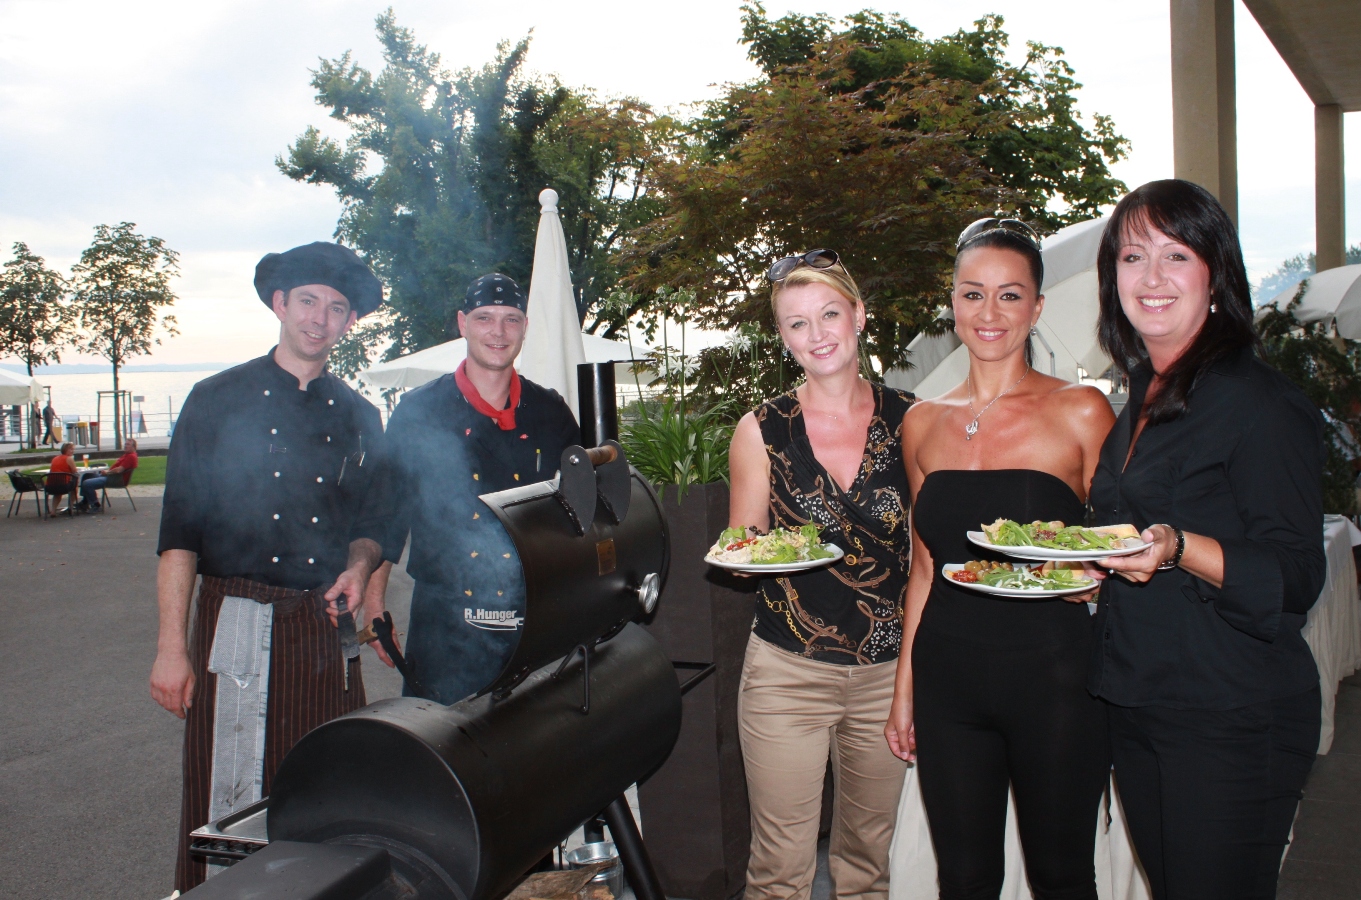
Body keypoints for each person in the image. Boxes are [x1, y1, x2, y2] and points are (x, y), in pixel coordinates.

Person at [1086, 180, 1325, 900]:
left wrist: (1178, 546)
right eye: (1132, 257)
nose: (1151, 277)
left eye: (1175, 255)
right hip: (1139, 700)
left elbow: (1295, 575)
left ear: (1215, 274)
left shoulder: (1258, 402)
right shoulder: (1141, 393)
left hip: (1230, 712)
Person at [149, 241, 392, 893]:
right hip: (235, 619)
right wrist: (171, 649)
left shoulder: (360, 415)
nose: (319, 318)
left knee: (326, 790)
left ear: (349, 322)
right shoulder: (215, 400)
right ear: (280, 304)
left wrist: (358, 567)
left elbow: (374, 524)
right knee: (223, 798)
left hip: (323, 625)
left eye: (336, 308)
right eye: (308, 301)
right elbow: (179, 536)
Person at [886, 219, 1115, 900]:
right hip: (947, 679)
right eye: (973, 294)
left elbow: (1122, 541)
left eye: (1009, 295)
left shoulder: (1081, 411)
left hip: (1055, 678)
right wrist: (904, 692)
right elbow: (922, 569)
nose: (989, 313)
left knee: (1061, 877)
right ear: (953, 305)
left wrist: (1091, 577)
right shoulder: (921, 421)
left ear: (1035, 308)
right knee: (962, 880)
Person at [725, 250, 914, 900]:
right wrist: (750, 550)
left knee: (867, 864)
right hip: (787, 672)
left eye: (829, 314)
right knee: (779, 871)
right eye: (797, 323)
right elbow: (743, 543)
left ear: (858, 316)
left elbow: (929, 551)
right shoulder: (760, 430)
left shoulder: (914, 420)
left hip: (887, 674)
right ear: (783, 339)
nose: (817, 334)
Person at [333, 273, 580, 705]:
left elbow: (578, 510)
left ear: (524, 327)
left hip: (534, 611)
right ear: (463, 323)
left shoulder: (550, 411)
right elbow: (389, 514)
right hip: (444, 619)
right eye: (485, 318)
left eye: (511, 319)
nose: (498, 331)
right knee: (440, 736)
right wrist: (375, 605)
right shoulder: (419, 410)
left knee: (534, 736)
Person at [78, 437, 138, 511]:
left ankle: (95, 505)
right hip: (111, 476)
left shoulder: (131, 456)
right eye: (125, 444)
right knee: (86, 476)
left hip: (115, 479)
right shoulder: (127, 455)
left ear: (133, 447)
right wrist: (106, 472)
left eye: (128, 444)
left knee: (87, 483)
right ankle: (85, 502)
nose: (125, 446)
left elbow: (119, 470)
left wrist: (107, 473)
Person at [47, 440, 78, 515]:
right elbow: (75, 471)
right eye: (71, 449)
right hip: (64, 485)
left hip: (51, 485)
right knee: (75, 487)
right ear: (66, 450)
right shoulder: (69, 458)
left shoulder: (55, 458)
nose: (72, 451)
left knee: (57, 494)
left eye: (73, 449)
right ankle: (70, 506)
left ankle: (53, 511)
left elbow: (51, 471)